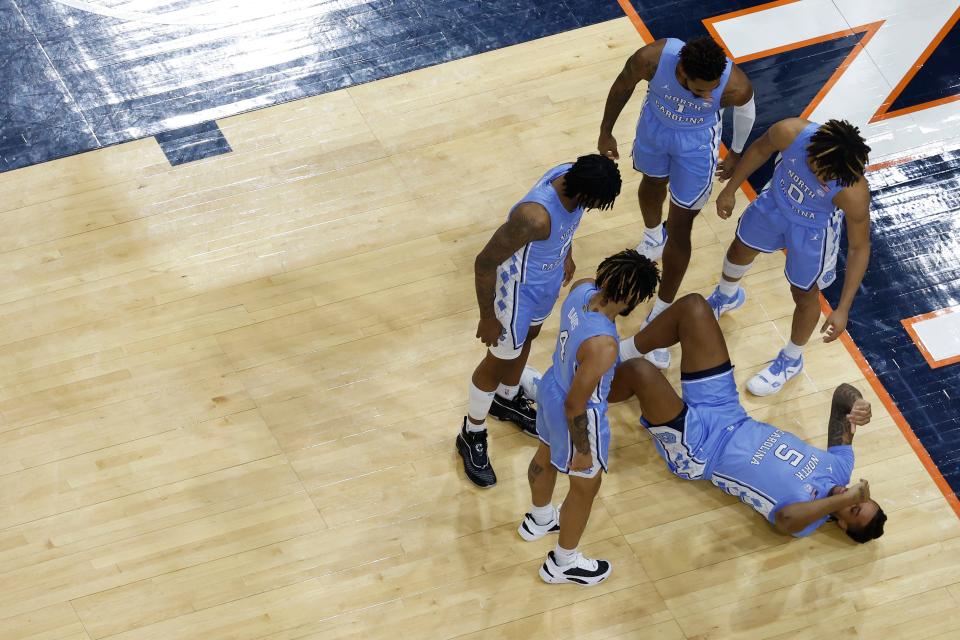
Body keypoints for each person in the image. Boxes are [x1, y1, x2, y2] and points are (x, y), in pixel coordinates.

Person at [617, 294, 886, 541]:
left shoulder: (805, 522)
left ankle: (587, 389)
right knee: (695, 308)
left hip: (699, 449)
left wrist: (840, 501)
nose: (851, 497)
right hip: (728, 411)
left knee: (641, 372)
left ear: (842, 524)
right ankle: (619, 350)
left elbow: (784, 519)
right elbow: (841, 395)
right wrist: (858, 402)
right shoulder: (840, 467)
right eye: (860, 498)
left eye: (852, 509)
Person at [457, 155, 622, 488]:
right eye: (595, 204)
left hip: (544, 282)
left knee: (529, 337)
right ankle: (471, 432)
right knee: (498, 358)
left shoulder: (573, 176)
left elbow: (570, 222)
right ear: (585, 194)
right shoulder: (533, 217)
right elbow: (484, 262)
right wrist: (488, 316)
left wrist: (567, 252)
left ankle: (506, 399)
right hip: (514, 292)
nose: (592, 209)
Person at [598, 35, 755, 368]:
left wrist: (737, 152)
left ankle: (661, 312)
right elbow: (623, 86)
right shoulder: (650, 60)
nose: (709, 96)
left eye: (712, 89)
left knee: (682, 228)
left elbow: (746, 110)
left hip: (695, 145)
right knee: (651, 182)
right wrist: (606, 130)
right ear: (681, 71)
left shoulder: (734, 85)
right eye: (700, 90)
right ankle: (653, 237)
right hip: (655, 128)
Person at [518, 249, 660, 585]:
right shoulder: (604, 346)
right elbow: (576, 404)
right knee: (585, 486)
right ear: (630, 298)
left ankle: (539, 519)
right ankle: (563, 563)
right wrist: (582, 449)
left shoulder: (581, 288)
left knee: (545, 453)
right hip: (576, 408)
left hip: (552, 385)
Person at [708, 118, 872, 396]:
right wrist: (729, 189)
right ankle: (727, 295)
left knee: (804, 294)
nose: (824, 179)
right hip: (774, 203)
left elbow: (859, 248)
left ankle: (791, 359)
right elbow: (760, 150)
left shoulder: (852, 192)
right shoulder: (789, 133)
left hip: (811, 233)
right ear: (812, 151)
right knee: (740, 248)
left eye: (830, 178)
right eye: (822, 171)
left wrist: (843, 308)